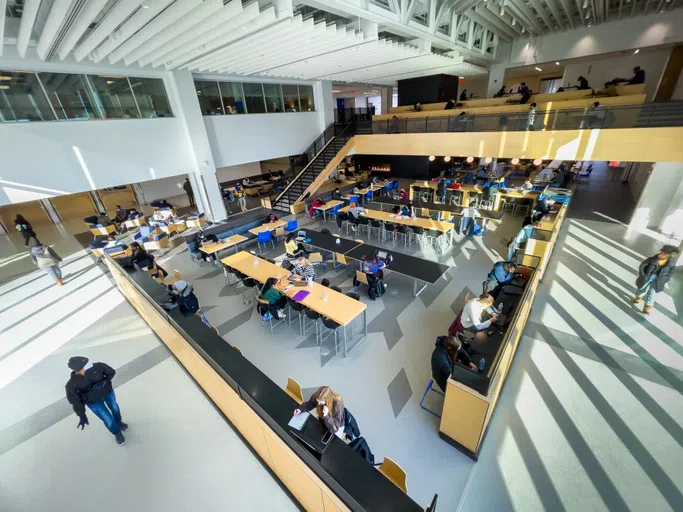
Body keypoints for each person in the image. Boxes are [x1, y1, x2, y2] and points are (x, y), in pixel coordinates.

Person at [65, 356, 127, 445]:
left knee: (114, 407)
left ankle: (119, 422)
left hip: (107, 392)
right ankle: (116, 432)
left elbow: (111, 372)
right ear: (79, 369)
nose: (88, 365)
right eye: (84, 365)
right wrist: (81, 415)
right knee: (106, 417)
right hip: (93, 402)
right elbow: (75, 401)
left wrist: (105, 381)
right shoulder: (71, 385)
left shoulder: (97, 366)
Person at [633, 245, 678, 314]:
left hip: (658, 279)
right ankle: (638, 297)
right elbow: (643, 264)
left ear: (669, 255)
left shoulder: (671, 264)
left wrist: (665, 280)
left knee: (652, 292)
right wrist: (642, 274)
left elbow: (670, 273)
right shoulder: (654, 259)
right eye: (661, 252)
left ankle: (647, 307)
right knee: (642, 287)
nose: (661, 254)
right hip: (648, 276)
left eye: (664, 254)